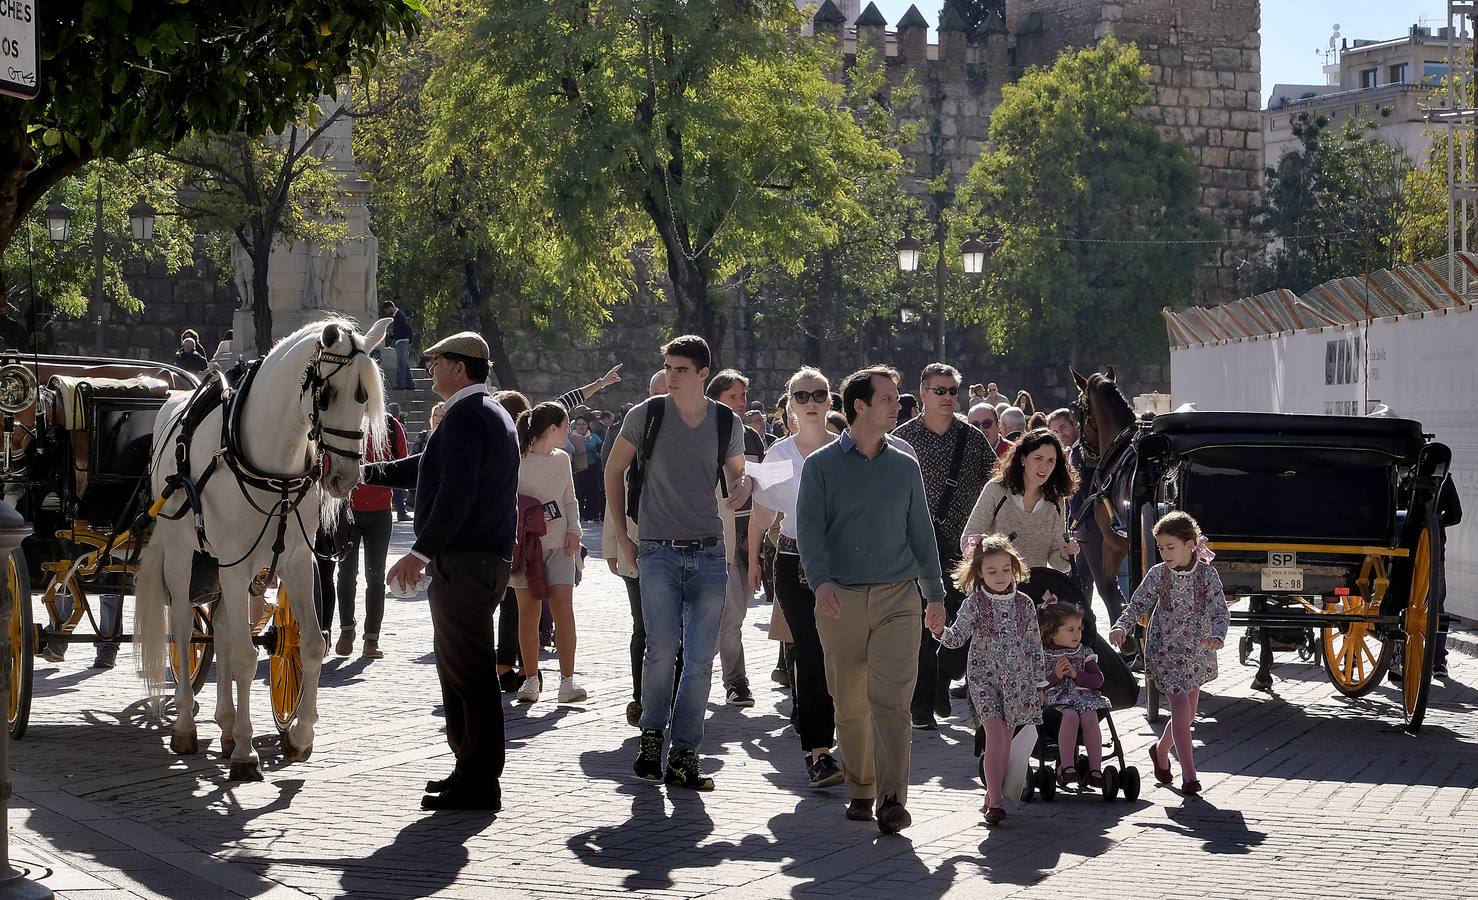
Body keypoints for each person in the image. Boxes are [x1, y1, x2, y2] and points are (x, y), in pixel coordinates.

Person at [370, 331, 518, 812]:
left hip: (466, 561)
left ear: (459, 368)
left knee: (470, 674)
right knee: (458, 671)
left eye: (436, 363)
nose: (430, 369)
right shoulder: (484, 414)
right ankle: (468, 769)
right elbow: (427, 468)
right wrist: (363, 473)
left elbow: (457, 492)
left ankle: (480, 781)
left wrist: (419, 552)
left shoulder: (466, 417)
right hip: (479, 561)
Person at [795, 365, 945, 835]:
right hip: (839, 600)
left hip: (899, 598)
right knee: (851, 703)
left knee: (891, 702)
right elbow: (809, 532)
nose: (897, 404)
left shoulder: (905, 464)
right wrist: (820, 582)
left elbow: (921, 534)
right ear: (859, 405)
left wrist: (935, 594)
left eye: (897, 397)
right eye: (886, 398)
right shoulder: (821, 466)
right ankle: (862, 788)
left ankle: (893, 799)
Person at [604, 336, 749, 790]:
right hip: (657, 550)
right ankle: (652, 739)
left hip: (708, 550)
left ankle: (686, 752)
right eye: (668, 366)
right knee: (660, 651)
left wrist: (743, 487)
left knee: (700, 661)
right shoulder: (646, 415)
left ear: (704, 373)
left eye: (681, 368)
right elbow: (613, 470)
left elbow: (738, 474)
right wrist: (624, 536)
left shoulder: (725, 421)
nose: (672, 375)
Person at [747, 367, 844, 788]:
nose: (810, 403)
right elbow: (763, 512)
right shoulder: (778, 455)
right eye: (801, 396)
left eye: (818, 395)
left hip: (844, 564)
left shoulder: (847, 451)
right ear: (789, 404)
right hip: (792, 560)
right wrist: (751, 560)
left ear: (829, 402)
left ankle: (848, 737)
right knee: (809, 650)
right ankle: (819, 751)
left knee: (841, 652)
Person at [893, 363, 997, 730]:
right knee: (923, 627)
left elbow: (996, 486)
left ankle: (940, 677)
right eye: (940, 391)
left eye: (953, 391)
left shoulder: (972, 439)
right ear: (922, 393)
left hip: (964, 549)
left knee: (966, 623)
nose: (948, 397)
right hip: (917, 547)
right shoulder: (902, 440)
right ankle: (921, 705)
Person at [1109, 511, 1228, 796]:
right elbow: (1137, 605)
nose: (1164, 553)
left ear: (1190, 544)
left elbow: (1219, 610)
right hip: (1164, 652)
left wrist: (1217, 636)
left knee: (1185, 718)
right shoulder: (1158, 575)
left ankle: (1160, 751)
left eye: (1170, 547)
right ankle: (1189, 775)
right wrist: (1121, 627)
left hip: (1197, 653)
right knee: (1178, 708)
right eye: (1160, 548)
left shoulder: (1207, 575)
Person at [932, 533, 1044, 826]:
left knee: (1005, 740)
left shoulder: (1025, 603)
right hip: (983, 682)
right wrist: (939, 631)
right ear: (978, 572)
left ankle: (992, 793)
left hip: (1017, 683)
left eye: (1006, 569)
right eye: (992, 571)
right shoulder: (974, 603)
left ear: (1015, 568)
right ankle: (995, 801)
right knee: (995, 736)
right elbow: (956, 639)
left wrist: (1040, 684)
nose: (1000, 576)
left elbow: (1034, 645)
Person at [601, 369, 670, 728]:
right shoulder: (631, 431)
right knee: (643, 627)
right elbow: (616, 487)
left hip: (681, 547)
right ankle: (640, 698)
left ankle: (670, 697)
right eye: (654, 393)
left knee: (679, 631)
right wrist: (613, 546)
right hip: (637, 547)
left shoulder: (694, 430)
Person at [510, 402, 587, 704]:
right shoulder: (516, 458)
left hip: (560, 546)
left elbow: (570, 499)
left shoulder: (562, 459)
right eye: (566, 426)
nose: (569, 432)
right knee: (528, 614)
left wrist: (575, 532)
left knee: (563, 612)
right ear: (552, 429)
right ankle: (530, 679)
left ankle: (567, 681)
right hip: (525, 548)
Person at [705, 368, 766, 708]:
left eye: (743, 396)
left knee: (736, 613)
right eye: (733, 397)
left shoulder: (753, 437)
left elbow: (760, 487)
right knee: (728, 615)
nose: (741, 402)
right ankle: (736, 681)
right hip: (712, 537)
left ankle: (691, 670)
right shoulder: (701, 433)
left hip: (745, 540)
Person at [335, 411, 409, 660]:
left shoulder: (389, 425)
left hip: (380, 511)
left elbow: (403, 464)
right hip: (347, 510)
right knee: (346, 572)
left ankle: (371, 638)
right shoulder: (344, 419)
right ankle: (347, 629)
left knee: (375, 577)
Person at [962, 428, 1080, 572]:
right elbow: (967, 541)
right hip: (993, 588)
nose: (1044, 466)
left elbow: (1058, 564)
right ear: (1023, 458)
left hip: (1035, 588)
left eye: (1051, 461)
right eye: (1038, 458)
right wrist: (994, 554)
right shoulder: (996, 489)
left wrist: (1065, 554)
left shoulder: (1056, 501)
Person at [1039, 597, 1109, 789]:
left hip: (1083, 697)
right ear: (1053, 633)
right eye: (1070, 630)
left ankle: (1096, 769)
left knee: (1090, 717)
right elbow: (1038, 685)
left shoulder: (1084, 652)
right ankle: (1067, 766)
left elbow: (1098, 680)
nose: (1077, 634)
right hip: (1056, 699)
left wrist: (1078, 675)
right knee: (1069, 717)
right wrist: (1055, 676)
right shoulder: (1044, 655)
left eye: (1079, 628)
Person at [568, 415, 604, 522]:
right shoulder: (571, 437)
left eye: (583, 424)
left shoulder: (594, 436)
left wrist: (597, 452)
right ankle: (579, 515)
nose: (581, 426)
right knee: (579, 492)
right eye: (578, 424)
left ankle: (591, 515)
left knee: (592, 491)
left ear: (587, 425)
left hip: (592, 467)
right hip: (577, 469)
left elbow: (600, 449)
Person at [553, 364, 626, 413]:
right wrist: (602, 382)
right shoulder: (545, 415)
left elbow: (570, 399)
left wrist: (603, 382)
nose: (568, 430)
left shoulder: (548, 412)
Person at [380, 300, 416, 390]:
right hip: (402, 340)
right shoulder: (399, 315)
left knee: (401, 363)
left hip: (402, 341)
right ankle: (410, 384)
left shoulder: (399, 315)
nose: (387, 313)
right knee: (404, 363)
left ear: (389, 307)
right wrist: (393, 336)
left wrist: (409, 340)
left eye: (386, 311)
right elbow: (402, 330)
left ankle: (401, 384)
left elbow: (408, 328)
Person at [387, 403, 411, 522]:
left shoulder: (388, 424)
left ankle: (399, 511)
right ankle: (401, 511)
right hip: (395, 460)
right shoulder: (398, 426)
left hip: (388, 460)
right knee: (397, 488)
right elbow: (403, 446)